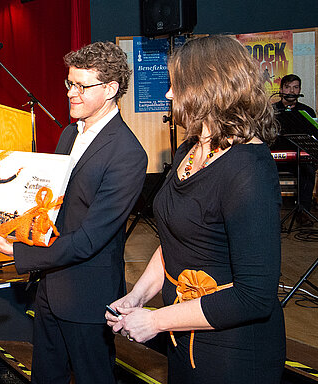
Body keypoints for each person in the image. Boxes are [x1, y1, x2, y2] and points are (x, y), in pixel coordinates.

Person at [106, 35, 285, 384]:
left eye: (177, 85)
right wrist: (137, 296)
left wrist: (157, 320)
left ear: (210, 89)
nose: (170, 94)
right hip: (184, 335)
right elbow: (177, 239)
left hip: (233, 352)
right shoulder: (189, 148)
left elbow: (255, 297)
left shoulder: (249, 171)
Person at [0, 41, 147, 384]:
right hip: (50, 288)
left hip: (87, 297)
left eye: (82, 86)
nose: (71, 93)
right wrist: (7, 221)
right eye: (69, 83)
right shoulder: (69, 133)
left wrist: (17, 251)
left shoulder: (128, 153)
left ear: (111, 89)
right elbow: (52, 208)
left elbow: (90, 239)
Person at [273, 74, 317, 225]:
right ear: (281, 89)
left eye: (295, 87)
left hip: (299, 157)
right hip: (276, 157)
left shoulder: (307, 112)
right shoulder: (271, 111)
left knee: (309, 169)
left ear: (300, 90)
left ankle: (303, 212)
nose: (291, 91)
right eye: (287, 87)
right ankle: (270, 213)